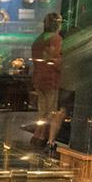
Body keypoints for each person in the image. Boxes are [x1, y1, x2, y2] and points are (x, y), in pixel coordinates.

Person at [30, 13, 64, 148]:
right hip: (51, 80)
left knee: (42, 110)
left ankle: (37, 136)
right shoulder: (56, 39)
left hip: (39, 79)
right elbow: (56, 61)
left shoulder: (38, 40)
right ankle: (44, 138)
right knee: (51, 111)